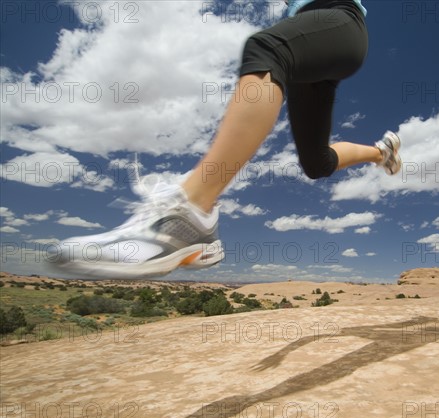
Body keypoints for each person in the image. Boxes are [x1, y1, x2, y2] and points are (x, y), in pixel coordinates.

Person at [50, 0, 402, 279]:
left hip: (340, 20)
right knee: (316, 163)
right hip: (312, 51)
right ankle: (381, 153)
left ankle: (192, 211)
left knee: (266, 49)